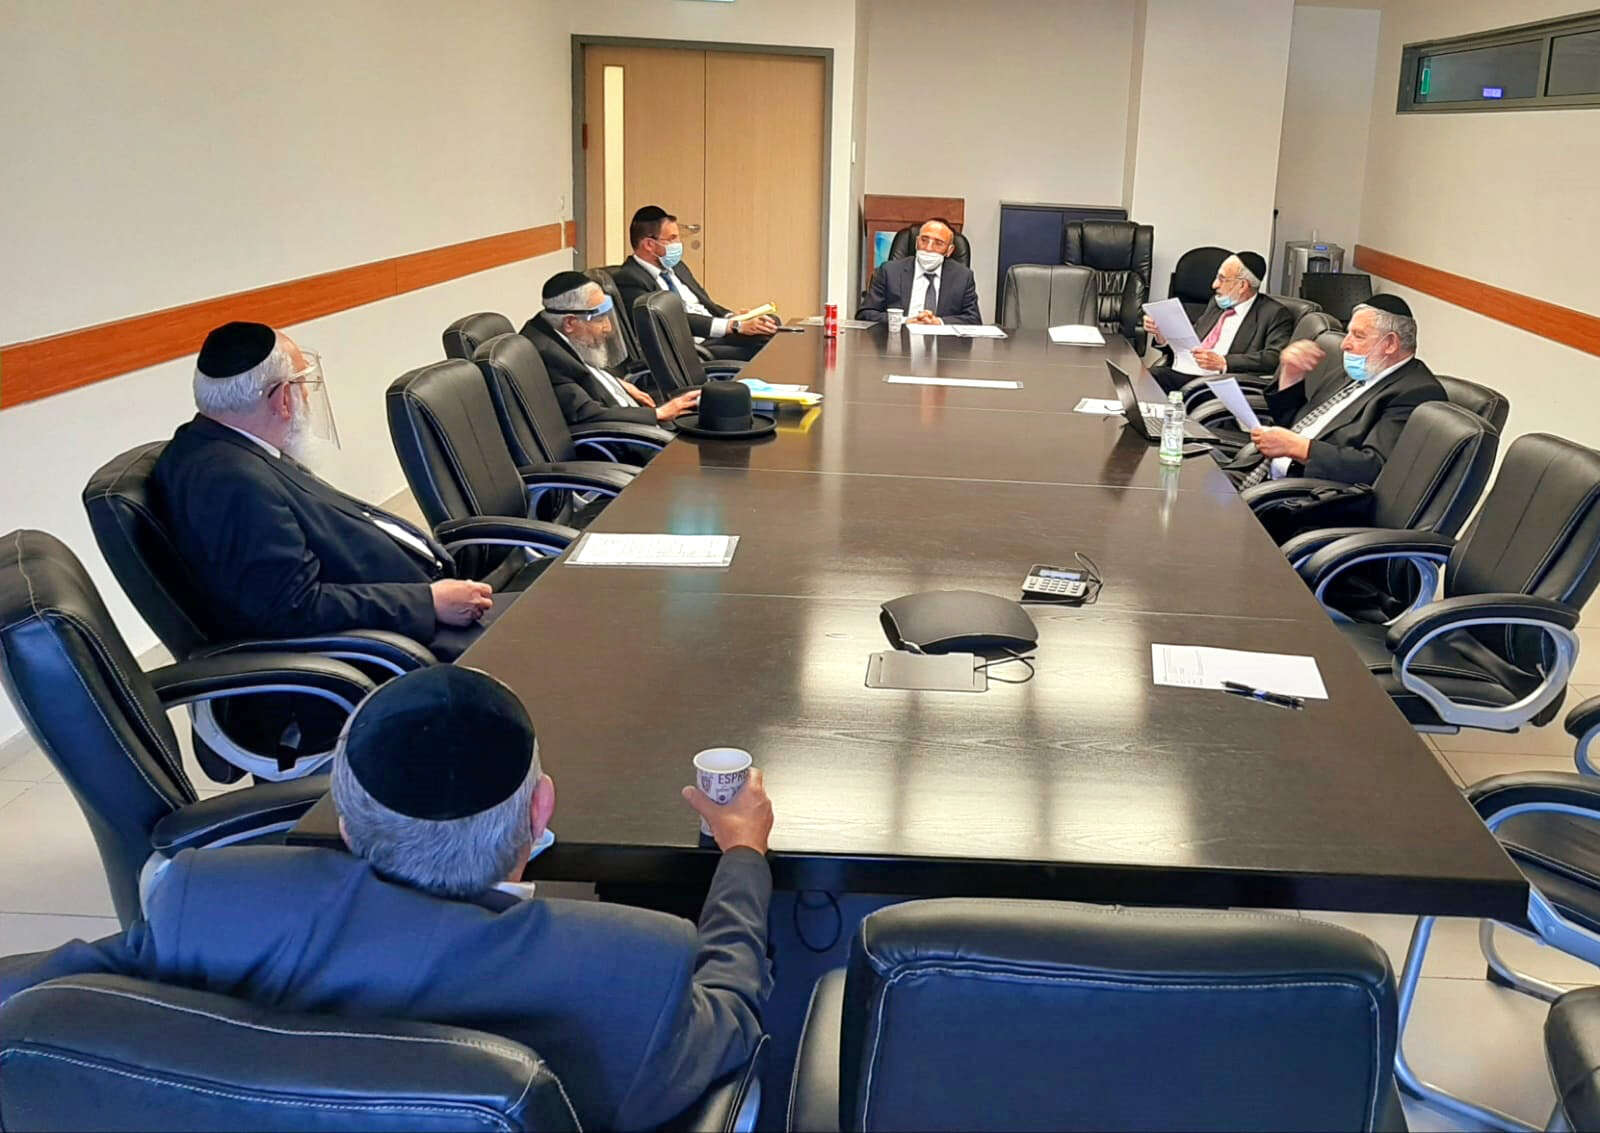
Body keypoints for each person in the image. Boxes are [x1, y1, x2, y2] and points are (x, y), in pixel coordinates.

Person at [0, 665, 775, 1132]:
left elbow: (38, 997)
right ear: (540, 810)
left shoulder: (206, 906)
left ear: (345, 822)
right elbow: (732, 1014)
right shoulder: (630, 967)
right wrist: (742, 854)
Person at [150, 321, 500, 660]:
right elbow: (292, 607)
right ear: (283, 398)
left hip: (415, 609)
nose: (305, 394)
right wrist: (427, 602)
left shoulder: (221, 447)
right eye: (302, 384)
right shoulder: (229, 481)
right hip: (401, 642)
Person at [1222, 294, 1445, 488]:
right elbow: (1294, 423)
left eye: (1358, 335)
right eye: (1348, 334)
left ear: (1390, 344)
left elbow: (1373, 467)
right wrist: (1290, 377)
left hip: (1299, 495)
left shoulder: (1415, 393)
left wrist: (1299, 447)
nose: (1344, 344)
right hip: (1260, 469)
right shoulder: (1357, 371)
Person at [520, 270, 701, 426]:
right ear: (570, 323)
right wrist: (659, 414)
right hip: (623, 439)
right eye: (600, 319)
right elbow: (586, 413)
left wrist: (616, 382)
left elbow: (584, 372)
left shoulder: (554, 328)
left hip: (627, 412)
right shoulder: (547, 355)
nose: (608, 327)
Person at [612, 205, 777, 361]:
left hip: (714, 333)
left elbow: (705, 304)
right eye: (672, 238)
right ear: (649, 244)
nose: (678, 244)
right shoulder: (629, 278)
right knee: (765, 347)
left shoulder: (677, 267)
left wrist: (733, 317)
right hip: (692, 348)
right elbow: (671, 320)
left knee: (770, 324)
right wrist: (733, 326)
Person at [1145, 251, 1292, 393]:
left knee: (1152, 379)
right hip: (1187, 371)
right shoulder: (1217, 304)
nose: (1214, 285)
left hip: (1221, 382)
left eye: (1222, 279)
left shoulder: (1274, 313)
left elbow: (1274, 358)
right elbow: (1191, 342)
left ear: (1242, 285)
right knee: (1144, 378)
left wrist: (1223, 362)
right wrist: (1162, 335)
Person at [856, 218, 982, 326]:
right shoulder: (889, 271)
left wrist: (939, 322)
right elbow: (865, 314)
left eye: (938, 243)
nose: (928, 248)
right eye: (924, 240)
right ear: (916, 242)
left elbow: (973, 319)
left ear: (949, 250)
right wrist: (904, 321)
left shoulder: (963, 277)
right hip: (898, 341)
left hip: (943, 344)